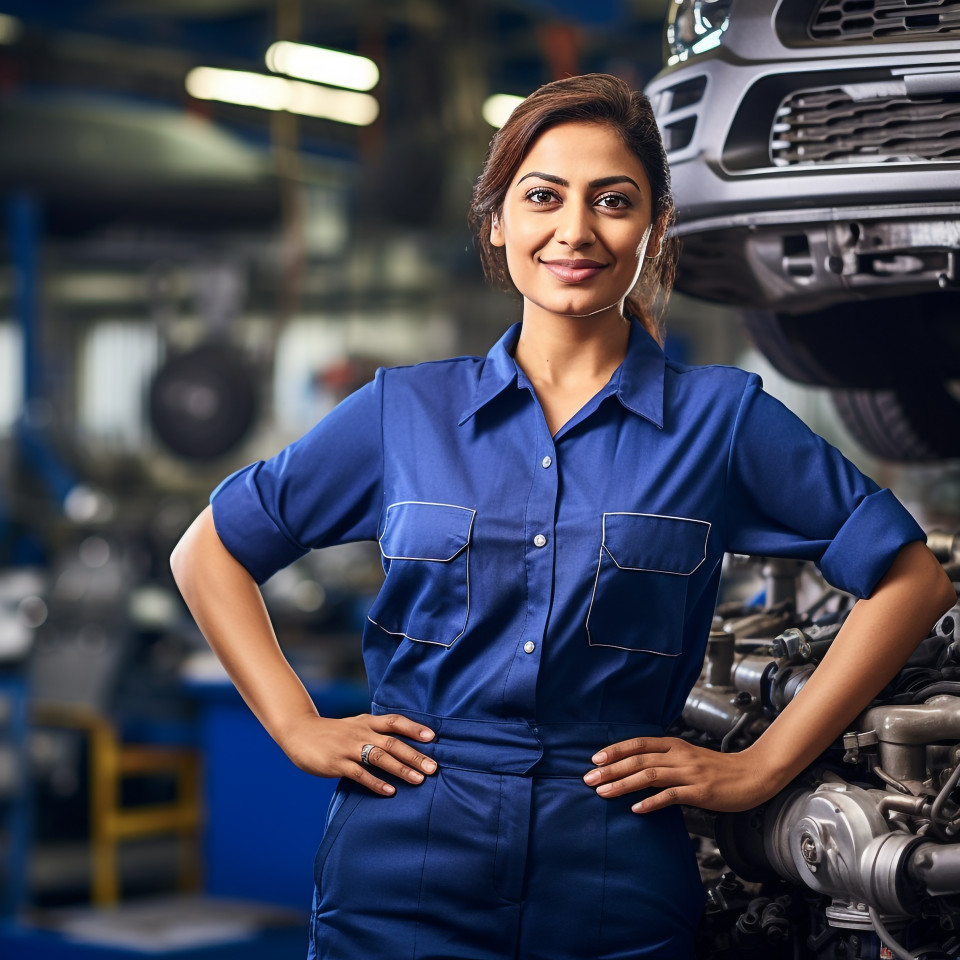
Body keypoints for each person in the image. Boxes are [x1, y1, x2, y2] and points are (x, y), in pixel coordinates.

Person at [170, 74, 956, 960]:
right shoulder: (403, 413)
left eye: (612, 202)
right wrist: (294, 723)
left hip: (614, 865)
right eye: (542, 197)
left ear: (655, 228)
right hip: (406, 853)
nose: (575, 231)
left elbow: (911, 579)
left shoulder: (724, 422)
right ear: (497, 219)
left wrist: (761, 765)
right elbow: (208, 552)